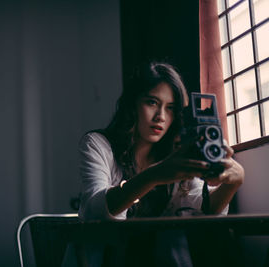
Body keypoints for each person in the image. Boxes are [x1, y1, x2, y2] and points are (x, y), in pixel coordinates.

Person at [76, 61, 245, 266]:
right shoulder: (98, 144)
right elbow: (96, 211)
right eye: (152, 102)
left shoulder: (176, 153)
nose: (161, 117)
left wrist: (232, 183)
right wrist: (155, 175)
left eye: (171, 108)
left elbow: (205, 209)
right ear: (132, 104)